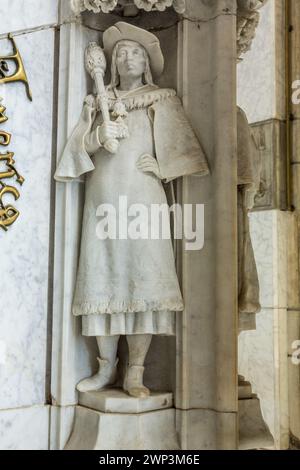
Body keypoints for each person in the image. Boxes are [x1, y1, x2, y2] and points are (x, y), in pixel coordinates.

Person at [55, 22, 209, 398]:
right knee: (104, 273)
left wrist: (164, 167)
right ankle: (106, 367)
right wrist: (97, 137)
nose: (127, 58)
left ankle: (135, 371)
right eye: (120, 53)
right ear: (110, 61)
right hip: (103, 199)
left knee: (143, 275)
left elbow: (186, 150)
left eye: (135, 52)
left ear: (147, 62)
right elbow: (76, 149)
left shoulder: (160, 98)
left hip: (143, 201)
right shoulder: (99, 102)